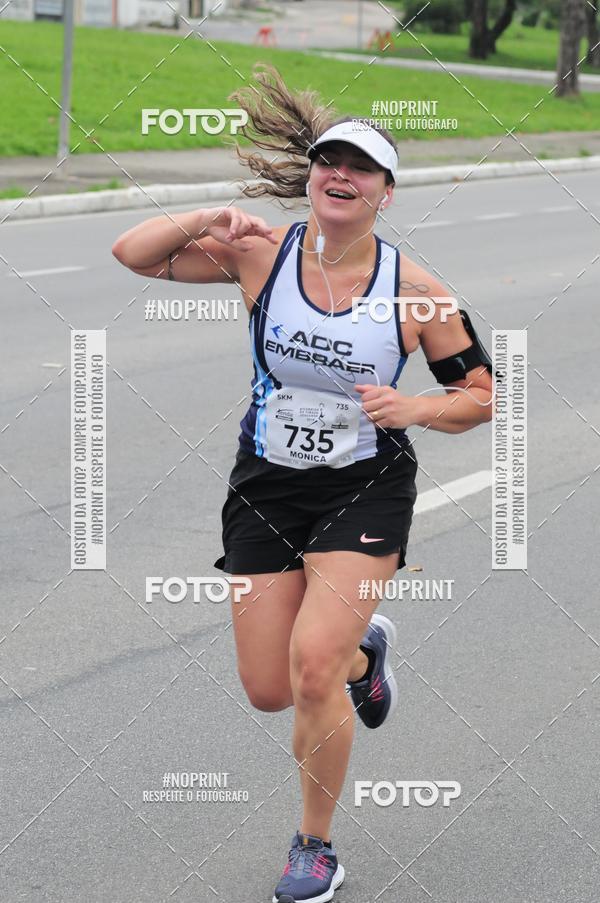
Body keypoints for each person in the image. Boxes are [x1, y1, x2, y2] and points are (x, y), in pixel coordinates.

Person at [112, 63, 493, 903]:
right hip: (267, 486)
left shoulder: (417, 293)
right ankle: (366, 653)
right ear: (313, 176)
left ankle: (315, 845)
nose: (341, 175)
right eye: (330, 161)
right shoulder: (260, 253)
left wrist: (415, 408)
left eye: (362, 168)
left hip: (364, 487)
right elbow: (132, 254)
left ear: (385, 192)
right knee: (269, 687)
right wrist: (206, 216)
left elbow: (481, 395)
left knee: (311, 671)